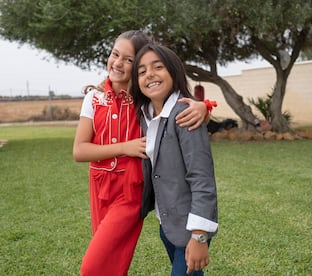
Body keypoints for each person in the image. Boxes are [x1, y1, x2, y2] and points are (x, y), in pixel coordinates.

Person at [72, 30, 209, 276]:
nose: (118, 63)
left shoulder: (141, 100)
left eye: (128, 60)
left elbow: (174, 104)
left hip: (130, 190)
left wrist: (203, 107)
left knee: (93, 268)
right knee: (110, 262)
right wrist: (124, 147)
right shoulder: (94, 97)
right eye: (115, 54)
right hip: (99, 187)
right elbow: (79, 150)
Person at [131, 43, 218, 276]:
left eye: (158, 67)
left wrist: (199, 235)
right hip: (167, 224)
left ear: (173, 71)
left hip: (191, 228)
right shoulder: (144, 114)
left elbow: (202, 178)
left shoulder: (185, 115)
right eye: (141, 71)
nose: (149, 74)